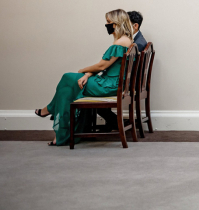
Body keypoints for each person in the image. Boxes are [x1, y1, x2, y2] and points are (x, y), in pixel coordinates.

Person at [34, 9, 134, 146]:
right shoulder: (128, 41)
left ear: (117, 24)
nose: (107, 25)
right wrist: (86, 75)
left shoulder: (120, 43)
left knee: (67, 78)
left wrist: (83, 70)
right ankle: (65, 129)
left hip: (108, 86)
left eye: (109, 22)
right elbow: (106, 67)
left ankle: (53, 116)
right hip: (111, 83)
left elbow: (101, 66)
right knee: (68, 88)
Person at [96, 10, 148, 131]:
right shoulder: (133, 40)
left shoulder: (136, 44)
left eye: (125, 23)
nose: (122, 26)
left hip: (129, 83)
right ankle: (115, 122)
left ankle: (117, 123)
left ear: (135, 26)